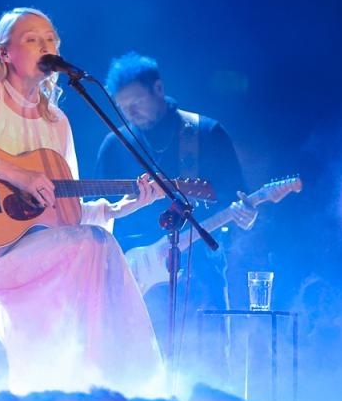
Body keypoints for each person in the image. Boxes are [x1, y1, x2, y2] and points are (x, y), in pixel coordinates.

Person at [0, 8, 163, 395]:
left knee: (97, 243)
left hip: (46, 250)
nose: (47, 46)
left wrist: (122, 208)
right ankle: (87, 386)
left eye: (51, 40)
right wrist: (15, 173)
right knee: (90, 246)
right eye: (33, 39)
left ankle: (114, 386)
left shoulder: (56, 123)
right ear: (5, 54)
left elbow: (66, 214)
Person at [93, 52, 250, 358]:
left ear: (159, 89)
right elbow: (97, 214)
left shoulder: (206, 134)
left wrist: (247, 214)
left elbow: (237, 197)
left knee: (208, 360)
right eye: (123, 106)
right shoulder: (115, 145)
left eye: (136, 101)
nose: (130, 111)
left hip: (199, 273)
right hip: (133, 277)